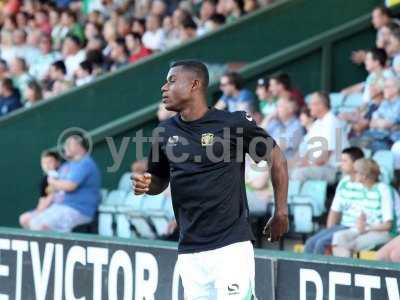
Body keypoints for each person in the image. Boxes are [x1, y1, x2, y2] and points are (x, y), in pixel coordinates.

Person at [132, 60, 288, 299]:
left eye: (171, 80)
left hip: (231, 247)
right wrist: (148, 185)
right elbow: (160, 180)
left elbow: (276, 158)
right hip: (190, 249)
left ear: (194, 84)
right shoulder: (163, 132)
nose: (164, 87)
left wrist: (281, 212)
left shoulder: (232, 123)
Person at [29, 133, 101, 232]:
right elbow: (53, 188)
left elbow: (70, 186)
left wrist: (53, 181)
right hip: (62, 206)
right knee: (32, 222)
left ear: (78, 145)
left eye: (69, 144)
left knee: (40, 225)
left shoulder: (85, 163)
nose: (65, 147)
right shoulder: (69, 164)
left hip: (79, 209)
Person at [304, 147, 365, 254]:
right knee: (310, 242)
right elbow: (334, 211)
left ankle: (320, 269)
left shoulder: (367, 184)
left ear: (356, 163)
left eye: (345, 161)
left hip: (356, 228)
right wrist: (329, 231)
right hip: (342, 226)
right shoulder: (344, 182)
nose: (341, 164)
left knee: (321, 243)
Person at [331, 158, 393, 257]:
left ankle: (349, 269)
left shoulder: (383, 190)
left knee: (351, 244)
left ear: (364, 175)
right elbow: (363, 218)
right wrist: (361, 223)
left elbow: (387, 225)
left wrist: (367, 228)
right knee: (338, 237)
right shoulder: (363, 189)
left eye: (355, 172)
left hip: (384, 232)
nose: (352, 174)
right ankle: (343, 269)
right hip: (366, 229)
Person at [291, 92, 349, 183]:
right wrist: (301, 163)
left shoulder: (332, 122)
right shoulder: (317, 123)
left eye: (312, 104)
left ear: (321, 105)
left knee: (299, 173)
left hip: (333, 169)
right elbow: (309, 151)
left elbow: (324, 157)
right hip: (318, 166)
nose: (309, 107)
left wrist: (307, 164)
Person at [19, 150, 62, 229]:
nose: (46, 165)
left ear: (58, 163)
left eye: (50, 162)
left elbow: (53, 196)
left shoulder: (64, 175)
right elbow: (43, 200)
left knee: (37, 223)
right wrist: (38, 212)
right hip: (47, 210)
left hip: (60, 210)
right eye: (44, 163)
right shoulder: (44, 180)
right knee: (24, 219)